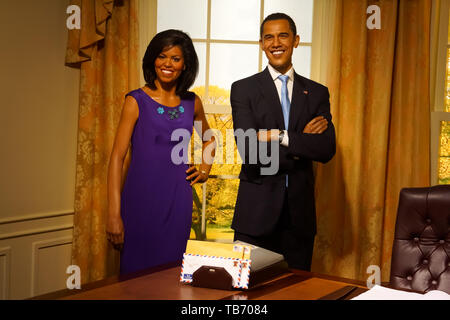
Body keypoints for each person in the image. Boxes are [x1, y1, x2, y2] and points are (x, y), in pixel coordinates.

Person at [230, 13, 336, 271]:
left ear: (296, 40)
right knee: (245, 296)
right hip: (255, 216)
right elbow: (251, 152)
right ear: (262, 44)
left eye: (283, 35)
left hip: (299, 218)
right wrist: (302, 146)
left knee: (297, 294)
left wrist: (280, 136)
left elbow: (326, 149)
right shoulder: (243, 89)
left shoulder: (317, 93)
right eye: (269, 37)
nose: (276, 42)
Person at [106, 29, 215, 275]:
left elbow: (210, 140)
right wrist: (113, 213)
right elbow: (117, 158)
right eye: (162, 56)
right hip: (139, 201)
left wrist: (205, 170)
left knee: (171, 276)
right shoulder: (136, 101)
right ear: (152, 60)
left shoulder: (192, 102)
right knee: (134, 279)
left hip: (178, 201)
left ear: (185, 64)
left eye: (175, 59)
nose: (167, 64)